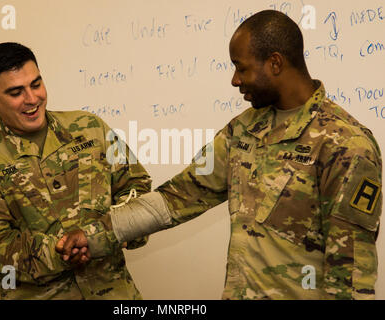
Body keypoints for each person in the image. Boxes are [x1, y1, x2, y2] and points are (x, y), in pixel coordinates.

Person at [57, 10, 382, 299]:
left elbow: (351, 274)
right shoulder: (243, 131)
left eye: (241, 68)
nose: (235, 80)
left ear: (275, 63)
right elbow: (176, 198)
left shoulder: (346, 145)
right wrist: (92, 234)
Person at [0, 42, 151, 299]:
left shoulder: (89, 128)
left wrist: (109, 233)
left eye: (36, 84)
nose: (32, 99)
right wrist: (63, 252)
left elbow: (137, 187)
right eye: (16, 92)